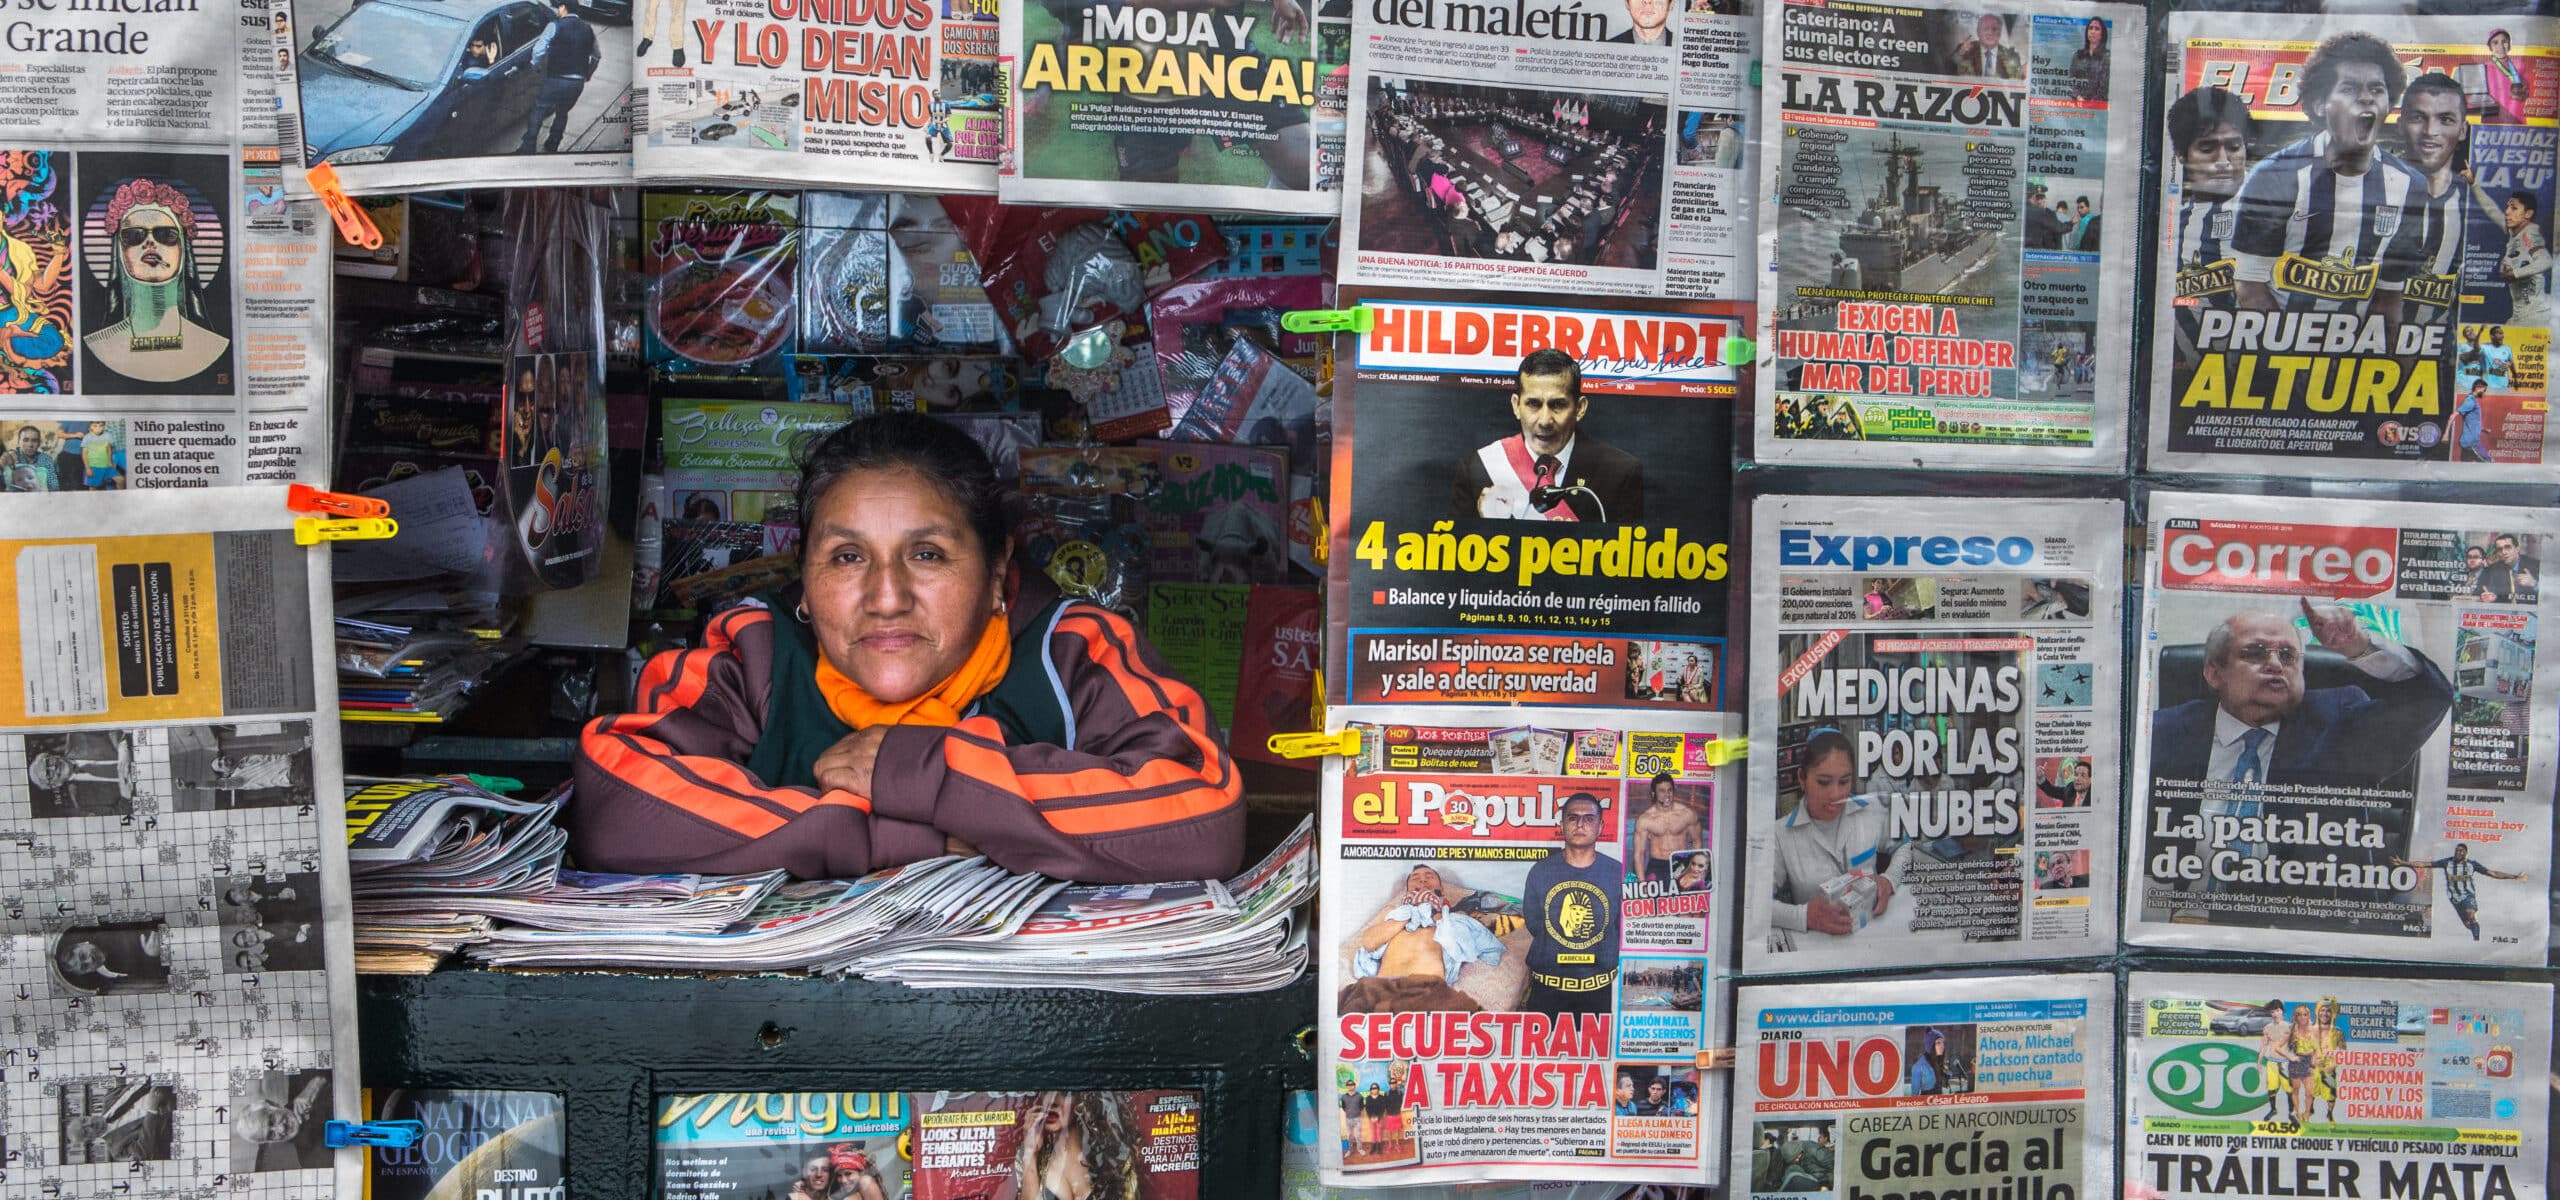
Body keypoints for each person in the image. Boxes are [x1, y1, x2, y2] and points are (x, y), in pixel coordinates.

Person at [570, 414, 1245, 882]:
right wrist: (913, 840)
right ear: (802, 577)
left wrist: (923, 771)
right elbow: (621, 803)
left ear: (996, 570)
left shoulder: (1073, 652)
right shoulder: (754, 654)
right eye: (845, 557)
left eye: (927, 554)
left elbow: (1198, 811)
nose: (886, 596)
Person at [2231, 33, 2425, 325]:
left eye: (2377, 89)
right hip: (2280, 346)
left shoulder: (2410, 185)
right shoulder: (2275, 176)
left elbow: (2389, 297)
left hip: (2358, 352)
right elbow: (2250, 288)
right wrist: (2294, 354)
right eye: (2349, 88)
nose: (2366, 97)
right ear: (2320, 104)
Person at [1450, 348, 1644, 523]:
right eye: (1533, 404)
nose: (1544, 421)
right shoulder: (1477, 470)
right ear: (1516, 406)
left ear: (1580, 408)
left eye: (1557, 405)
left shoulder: (1620, 473)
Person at [84, 177, 230, 384]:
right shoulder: (99, 345)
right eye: (134, 235)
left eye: (166, 235)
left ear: (183, 249)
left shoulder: (213, 345)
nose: (150, 243)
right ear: (119, 252)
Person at [1768, 729, 1903, 936]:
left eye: (1844, 781)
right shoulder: (1780, 834)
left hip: (1874, 934)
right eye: (1823, 782)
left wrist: (1889, 879)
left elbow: (1905, 845)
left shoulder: (1870, 810)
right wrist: (1803, 916)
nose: (1836, 794)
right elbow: (1753, 904)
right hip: (1819, 949)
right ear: (1802, 778)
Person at [1342, 864, 1507, 1013]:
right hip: (1381, 989)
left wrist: (1435, 912)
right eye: (1416, 878)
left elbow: (1485, 947)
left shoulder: (1451, 919)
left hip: (1428, 991)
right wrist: (1410, 911)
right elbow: (1370, 942)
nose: (1422, 880)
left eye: (1429, 877)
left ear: (1441, 889)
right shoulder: (1393, 913)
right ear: (1407, 890)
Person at [1523, 792, 1621, 1015]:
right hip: (1548, 989)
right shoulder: (1541, 871)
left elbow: (1622, 926)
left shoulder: (1616, 872)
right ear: (1562, 824)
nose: (1580, 824)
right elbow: (1535, 923)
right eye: (1572, 817)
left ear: (1600, 826)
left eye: (1589, 818)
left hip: (1599, 989)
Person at [2392, 74, 2470, 323]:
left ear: (2462, 130)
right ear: (2400, 123)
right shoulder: (2369, 188)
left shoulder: (2473, 202)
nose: (2430, 132)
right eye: (2418, 118)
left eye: (2445, 119)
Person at [1014, 1092, 1138, 1200]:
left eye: (1065, 1093)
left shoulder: (1115, 1160)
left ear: (1084, 1100)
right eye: (1047, 1091)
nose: (1052, 1101)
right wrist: (1030, 1153)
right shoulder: (1027, 1156)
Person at [2394, 843, 2528, 942]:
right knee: (2467, 924)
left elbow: (2493, 873)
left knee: (2471, 915)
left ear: (2466, 853)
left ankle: (2477, 941)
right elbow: (2425, 864)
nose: (2458, 853)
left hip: (2468, 895)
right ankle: (2474, 930)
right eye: (2457, 850)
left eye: (2461, 851)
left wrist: (2514, 877)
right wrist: (2404, 863)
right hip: (2454, 898)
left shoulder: (2472, 865)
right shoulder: (2446, 863)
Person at [520, 0, 600, 155]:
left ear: (564, 8)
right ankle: (553, 144)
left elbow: (538, 51)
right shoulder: (589, 29)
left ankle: (528, 146)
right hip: (576, 82)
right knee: (562, 112)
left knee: (539, 109)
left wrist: (536, 66)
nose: (557, 10)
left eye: (559, 7)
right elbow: (596, 56)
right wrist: (587, 75)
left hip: (556, 79)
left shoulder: (554, 26)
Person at [0, 222, 66, 387]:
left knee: (54, 341)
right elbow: (12, 288)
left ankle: (9, 339)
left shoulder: (20, 249)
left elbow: (42, 284)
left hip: (14, 312)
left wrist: (59, 251)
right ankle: (9, 342)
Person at [1631, 772, 1702, 886]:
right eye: (1662, 791)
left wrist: (1694, 872)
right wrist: (1642, 883)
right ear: (1654, 794)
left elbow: (1697, 842)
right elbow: (1639, 854)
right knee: (1655, 903)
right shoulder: (1645, 819)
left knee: (1680, 903)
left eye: (1670, 790)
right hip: (1656, 866)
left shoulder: (1687, 814)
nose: (1667, 795)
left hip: (1681, 864)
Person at [55, 923, 169, 994]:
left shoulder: (105, 928)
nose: (89, 960)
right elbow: (152, 975)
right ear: (87, 972)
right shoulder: (114, 970)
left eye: (83, 955)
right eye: (85, 966)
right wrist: (152, 957)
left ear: (83, 943)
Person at [2496, 192, 2551, 327]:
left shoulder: (2529, 235)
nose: (2507, 212)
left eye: (2514, 208)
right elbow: (2490, 209)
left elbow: (2546, 261)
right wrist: (2474, 184)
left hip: (2534, 316)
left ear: (2528, 214)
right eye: (2507, 207)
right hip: (2520, 315)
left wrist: (2515, 272)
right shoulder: (2514, 233)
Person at [2255, 1001, 2299, 1125]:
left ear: (2282, 1012)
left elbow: (2295, 1045)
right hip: (2272, 1062)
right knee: (2271, 1088)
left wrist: (2294, 1058)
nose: (2275, 1014)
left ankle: (2291, 1114)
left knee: (2289, 1089)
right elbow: (2264, 1046)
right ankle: (2273, 1109)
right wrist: (2258, 1062)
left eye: (2278, 1010)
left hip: (2285, 1063)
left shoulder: (2289, 1026)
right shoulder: (2267, 1028)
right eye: (2273, 1011)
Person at [1951, 13, 2020, 80]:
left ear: (2000, 33)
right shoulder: (1965, 50)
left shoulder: (2011, 55)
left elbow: (2017, 79)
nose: (1990, 33)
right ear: (1978, 32)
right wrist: (1960, 54)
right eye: (1986, 28)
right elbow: (1948, 69)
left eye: (1994, 29)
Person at [2476, 532, 2538, 604]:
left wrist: (2534, 584)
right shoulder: (2491, 570)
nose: (2504, 552)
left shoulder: (2536, 565)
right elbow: (2480, 593)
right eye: (2499, 549)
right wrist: (2487, 598)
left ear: (2517, 549)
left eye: (2508, 547)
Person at [2484, 29, 2529, 125]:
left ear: (2509, 45)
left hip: (2515, 118)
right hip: (2492, 120)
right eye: (2495, 43)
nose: (2500, 46)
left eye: (2504, 42)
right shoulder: (2485, 67)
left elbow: (2527, 92)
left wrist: (2522, 92)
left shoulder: (2519, 65)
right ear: (2490, 47)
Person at [1, 422, 58, 491]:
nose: (30, 445)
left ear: (39, 443)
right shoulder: (11, 457)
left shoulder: (46, 459)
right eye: (25, 440)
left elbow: (54, 487)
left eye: (34, 441)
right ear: (19, 442)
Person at [2454, 380, 2494, 463]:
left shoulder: (2472, 400)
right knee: (2489, 462)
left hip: (2471, 441)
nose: (2484, 393)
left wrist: (2483, 429)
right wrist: (2446, 434)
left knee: (2469, 464)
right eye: (2484, 390)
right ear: (2478, 388)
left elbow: (2471, 420)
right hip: (2471, 442)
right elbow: (2453, 415)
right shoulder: (2470, 401)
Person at [2068, 17, 2107, 102]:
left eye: (2097, 29)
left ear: (2102, 34)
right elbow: (2071, 81)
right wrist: (2078, 97)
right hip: (2078, 103)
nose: (2093, 31)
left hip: (2098, 106)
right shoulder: (2078, 55)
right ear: (2087, 32)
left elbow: (2105, 87)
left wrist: (2090, 104)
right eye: (2090, 28)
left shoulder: (2107, 57)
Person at [1908, 1028, 1954, 1095]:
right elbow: (1914, 1095)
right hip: (1927, 1103)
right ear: (1930, 1045)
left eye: (1942, 1042)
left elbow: (1943, 1078)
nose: (1942, 1046)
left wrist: (1947, 1075)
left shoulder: (1939, 1060)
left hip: (1940, 1101)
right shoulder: (1918, 1066)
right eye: (1938, 1043)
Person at [2024, 183, 2064, 250]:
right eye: (2037, 198)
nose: (2039, 201)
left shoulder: (2050, 214)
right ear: (2033, 198)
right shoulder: (2028, 214)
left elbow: (2058, 238)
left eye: (2042, 198)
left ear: (2045, 199)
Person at [2482, 327, 2514, 392]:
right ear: (2492, 336)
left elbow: (2511, 362)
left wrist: (2509, 364)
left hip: (2505, 387)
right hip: (2490, 387)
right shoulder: (2485, 347)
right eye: (2499, 333)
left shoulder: (2507, 348)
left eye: (2502, 333)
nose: (2502, 336)